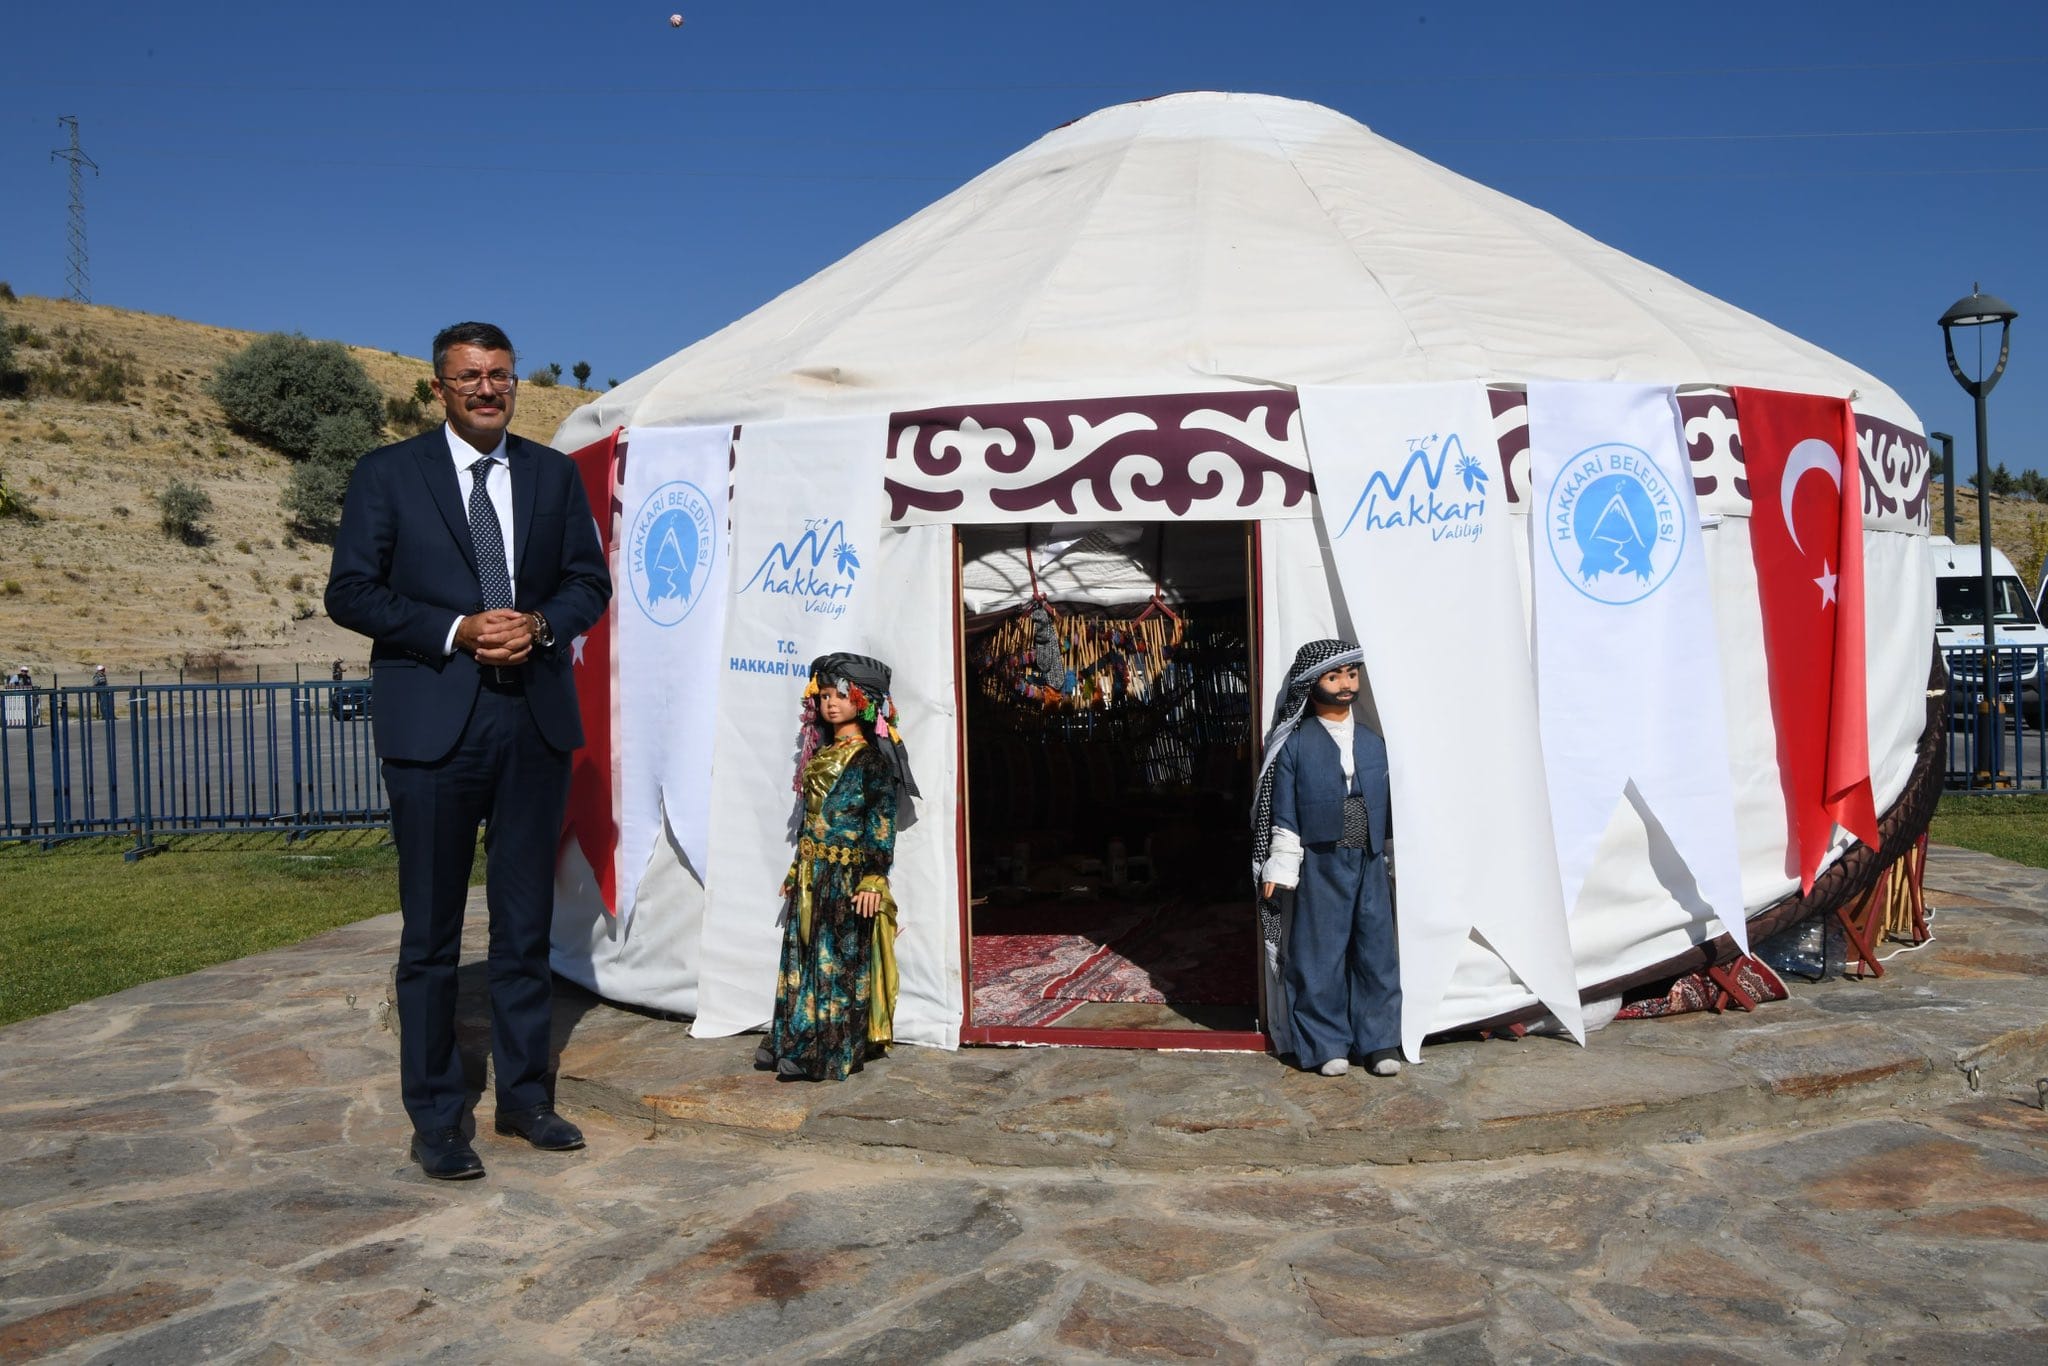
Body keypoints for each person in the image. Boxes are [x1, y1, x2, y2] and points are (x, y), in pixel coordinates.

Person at [326, 321, 611, 1180]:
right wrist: (453, 628)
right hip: (433, 728)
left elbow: (587, 583)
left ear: (515, 382)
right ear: (439, 388)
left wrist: (540, 623)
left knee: (525, 928)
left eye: (501, 375)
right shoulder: (387, 476)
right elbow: (351, 590)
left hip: (531, 724)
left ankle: (527, 1099)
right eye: (469, 377)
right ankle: (438, 1117)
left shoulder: (553, 476)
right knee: (433, 937)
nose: (487, 389)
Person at [757, 653, 919, 1082]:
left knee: (836, 963)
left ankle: (827, 1051)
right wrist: (796, 870)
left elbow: (880, 823)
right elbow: (812, 821)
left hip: (848, 879)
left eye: (840, 696)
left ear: (861, 701)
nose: (830, 704)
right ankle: (791, 1039)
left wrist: (873, 877)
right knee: (805, 956)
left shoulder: (871, 762)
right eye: (824, 695)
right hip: (813, 875)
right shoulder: (821, 755)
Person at [1251, 639, 1402, 1078]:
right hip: (1321, 861)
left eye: (1351, 675)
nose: (1345, 685)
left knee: (1377, 950)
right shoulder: (1295, 747)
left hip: (1370, 861)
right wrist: (1280, 863)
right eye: (1334, 676)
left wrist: (1393, 855)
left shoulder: (1375, 743)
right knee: (1320, 952)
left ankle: (1378, 1041)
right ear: (1312, 684)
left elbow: (1392, 809)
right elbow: (1283, 812)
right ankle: (1325, 1042)